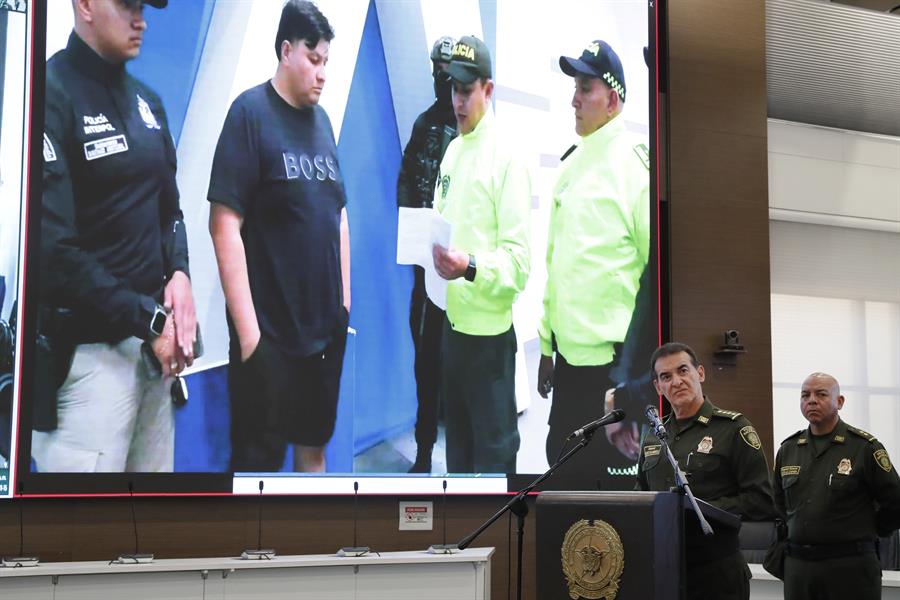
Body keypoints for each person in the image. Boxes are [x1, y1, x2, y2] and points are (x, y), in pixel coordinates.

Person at [33, 0, 196, 473]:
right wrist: (149, 319)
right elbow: (53, 252)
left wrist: (180, 273)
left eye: (143, 6)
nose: (140, 18)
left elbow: (171, 210)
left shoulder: (149, 103)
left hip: (153, 359)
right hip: (87, 361)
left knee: (149, 528)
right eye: (126, 5)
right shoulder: (50, 94)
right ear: (83, 4)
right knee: (82, 535)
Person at [208, 0, 350, 473]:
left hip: (322, 339)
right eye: (314, 58)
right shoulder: (249, 114)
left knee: (314, 453)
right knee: (257, 470)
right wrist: (250, 340)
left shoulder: (323, 123)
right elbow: (224, 224)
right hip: (268, 341)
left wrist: (343, 308)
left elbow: (339, 215)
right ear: (286, 50)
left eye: (326, 61)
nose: (322, 72)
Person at [536, 40, 649, 489]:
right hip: (567, 365)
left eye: (585, 88)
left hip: (611, 372)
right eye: (574, 87)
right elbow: (556, 266)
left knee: (615, 501)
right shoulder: (571, 165)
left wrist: (634, 383)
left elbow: (652, 275)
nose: (574, 99)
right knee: (559, 474)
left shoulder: (635, 167)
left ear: (613, 99)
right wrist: (546, 345)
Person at [432, 35, 531, 474]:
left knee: (493, 466)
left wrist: (469, 266)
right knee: (458, 460)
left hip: (490, 344)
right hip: (452, 333)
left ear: (487, 91)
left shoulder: (508, 158)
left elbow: (518, 264)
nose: (459, 100)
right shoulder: (452, 152)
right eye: (454, 89)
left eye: (467, 90)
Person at [636, 342, 774, 600]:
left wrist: (701, 510)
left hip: (717, 572)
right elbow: (641, 496)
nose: (676, 381)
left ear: (700, 373)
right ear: (658, 387)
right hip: (664, 569)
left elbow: (762, 500)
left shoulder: (733, 429)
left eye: (683, 371)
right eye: (666, 377)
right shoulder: (654, 438)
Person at [773, 372, 900, 600]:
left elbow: (896, 502)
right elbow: (779, 504)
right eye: (805, 395)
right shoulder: (789, 449)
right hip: (799, 569)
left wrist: (871, 529)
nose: (811, 400)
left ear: (839, 402)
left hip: (850, 567)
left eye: (821, 394)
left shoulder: (864, 447)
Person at [397, 35, 457, 473]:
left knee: (458, 362)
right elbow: (404, 180)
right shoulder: (423, 125)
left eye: (448, 70)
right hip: (423, 270)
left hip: (461, 271)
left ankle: (458, 449)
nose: (442, 78)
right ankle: (423, 449)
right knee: (425, 357)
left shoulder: (468, 130)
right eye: (436, 69)